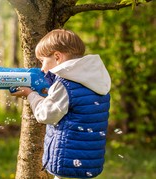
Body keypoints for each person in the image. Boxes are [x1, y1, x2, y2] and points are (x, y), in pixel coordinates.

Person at [11, 29, 111, 178]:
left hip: (67, 163)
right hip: (89, 162)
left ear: (57, 56)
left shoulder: (65, 84)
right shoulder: (95, 79)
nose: (42, 68)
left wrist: (30, 95)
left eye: (42, 61)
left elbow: (46, 115)